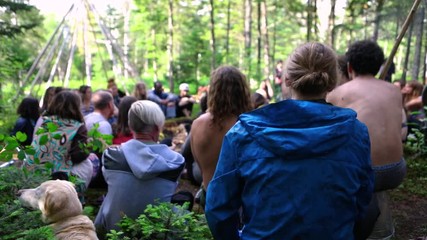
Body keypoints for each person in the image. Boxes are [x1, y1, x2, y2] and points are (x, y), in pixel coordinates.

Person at [205, 42, 374, 239]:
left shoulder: (243, 133)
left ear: (286, 80)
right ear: (332, 82)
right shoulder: (356, 133)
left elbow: (218, 208)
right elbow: (363, 200)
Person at [327, 40, 406, 239]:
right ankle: (381, 229)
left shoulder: (337, 94)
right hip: (396, 169)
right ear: (379, 66)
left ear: (349, 67)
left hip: (364, 174)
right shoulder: (394, 91)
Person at [94, 100, 184, 235]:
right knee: (184, 198)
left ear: (131, 126)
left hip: (115, 232)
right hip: (154, 233)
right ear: (157, 128)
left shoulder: (110, 156)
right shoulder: (175, 161)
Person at [190, 66, 252, 207]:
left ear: (213, 91)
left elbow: (199, 164)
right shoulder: (248, 125)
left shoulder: (198, 124)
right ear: (242, 91)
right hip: (240, 203)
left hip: (209, 200)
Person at [26, 91, 93, 188]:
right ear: (77, 106)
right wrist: (88, 145)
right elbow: (78, 156)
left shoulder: (45, 122)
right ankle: (75, 196)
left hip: (32, 173)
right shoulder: (77, 127)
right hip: (58, 178)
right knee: (90, 162)